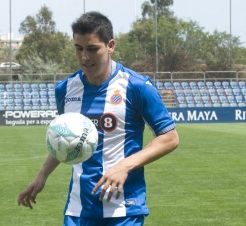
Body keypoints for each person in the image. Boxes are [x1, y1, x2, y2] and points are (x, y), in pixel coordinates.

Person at [17, 11, 179, 226]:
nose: (85, 57)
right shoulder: (65, 89)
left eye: (92, 49)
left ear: (110, 45)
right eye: (79, 49)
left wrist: (126, 165)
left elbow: (170, 137)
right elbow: (66, 139)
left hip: (124, 209)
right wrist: (41, 176)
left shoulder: (137, 87)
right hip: (78, 210)